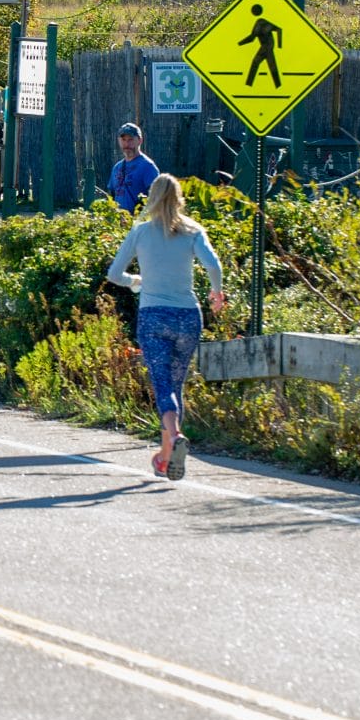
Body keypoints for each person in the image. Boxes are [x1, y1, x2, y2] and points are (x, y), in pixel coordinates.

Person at [105, 174, 226, 482]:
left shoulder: (141, 232)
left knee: (162, 384)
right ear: (179, 197)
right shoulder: (193, 230)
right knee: (175, 383)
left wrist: (137, 281)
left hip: (154, 315)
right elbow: (213, 264)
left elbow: (114, 273)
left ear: (152, 198)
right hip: (188, 316)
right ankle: (165, 458)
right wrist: (216, 292)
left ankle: (173, 438)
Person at [107, 123, 160, 214]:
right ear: (119, 141)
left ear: (140, 141)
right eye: (123, 140)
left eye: (131, 140)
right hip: (118, 223)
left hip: (139, 223)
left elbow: (157, 198)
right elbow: (111, 196)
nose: (127, 144)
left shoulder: (147, 167)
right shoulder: (117, 167)